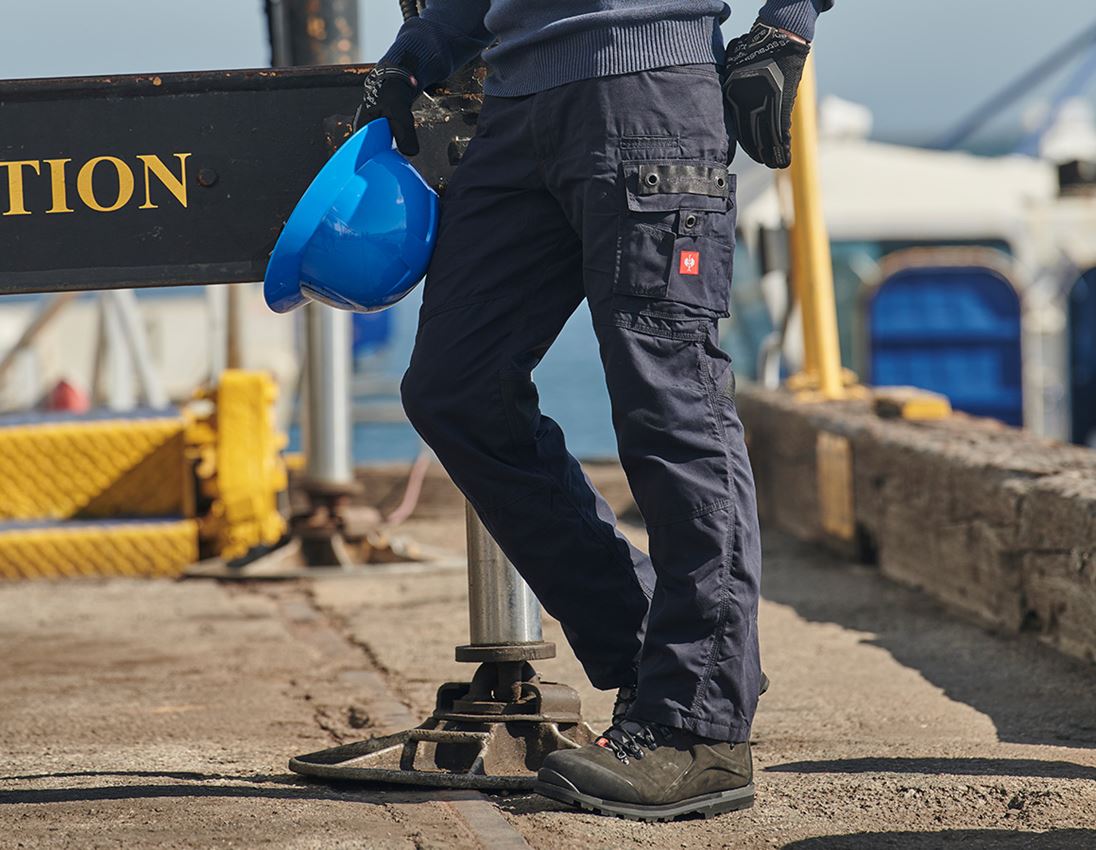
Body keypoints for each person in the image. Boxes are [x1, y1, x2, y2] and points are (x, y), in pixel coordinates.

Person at [359, 0, 831, 822]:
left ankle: (700, 731)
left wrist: (788, 24)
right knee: (453, 388)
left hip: (649, 94)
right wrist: (420, 49)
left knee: (671, 409)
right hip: (517, 105)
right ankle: (660, 649)